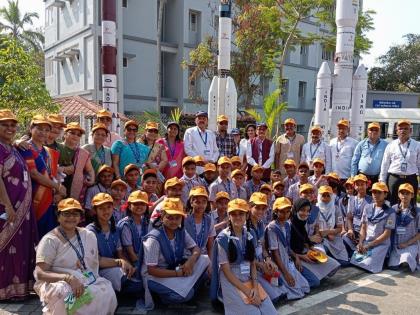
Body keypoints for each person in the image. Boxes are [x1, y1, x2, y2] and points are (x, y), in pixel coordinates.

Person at [34, 198, 117, 314]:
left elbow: (96, 260)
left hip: (85, 277)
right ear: (58, 217)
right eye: (66, 214)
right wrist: (68, 278)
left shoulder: (87, 235)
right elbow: (40, 273)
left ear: (80, 217)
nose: (71, 217)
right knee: (64, 293)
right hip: (58, 282)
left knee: (106, 289)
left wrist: (119, 262)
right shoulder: (50, 240)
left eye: (75, 214)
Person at [210, 198, 277, 314]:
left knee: (269, 311)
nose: (238, 217)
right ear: (229, 216)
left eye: (241, 213)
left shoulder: (249, 234)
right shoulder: (223, 238)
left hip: (248, 277)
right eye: (233, 214)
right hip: (231, 280)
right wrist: (247, 291)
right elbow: (226, 272)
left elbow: (252, 264)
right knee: (253, 312)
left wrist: (255, 287)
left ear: (246, 216)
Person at [0, 109, 38, 301]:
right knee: (6, 248)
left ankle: (20, 289)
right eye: (4, 124)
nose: (10, 128)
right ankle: (6, 291)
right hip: (7, 210)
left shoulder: (13, 147)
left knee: (21, 247)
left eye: (13, 125)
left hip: (23, 210)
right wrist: (7, 205)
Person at [144, 198, 209, 306]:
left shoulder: (181, 231)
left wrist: (190, 262)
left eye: (177, 217)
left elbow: (196, 249)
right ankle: (165, 297)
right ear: (162, 217)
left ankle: (184, 287)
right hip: (157, 277)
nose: (174, 221)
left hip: (175, 269)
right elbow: (151, 270)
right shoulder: (154, 239)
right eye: (169, 217)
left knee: (205, 259)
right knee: (185, 295)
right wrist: (177, 273)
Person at [20, 115, 66, 237]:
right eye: (39, 129)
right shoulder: (26, 147)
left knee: (48, 236)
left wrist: (57, 190)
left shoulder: (47, 151)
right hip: (32, 197)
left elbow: (51, 174)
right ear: (31, 128)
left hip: (48, 199)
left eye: (47, 130)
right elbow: (34, 174)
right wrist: (57, 186)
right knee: (34, 235)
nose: (43, 133)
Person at [86, 193, 141, 295]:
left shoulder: (114, 228)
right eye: (101, 208)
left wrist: (128, 265)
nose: (106, 211)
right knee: (135, 285)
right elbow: (96, 260)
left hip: (114, 267)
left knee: (137, 273)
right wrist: (119, 262)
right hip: (97, 271)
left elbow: (120, 253)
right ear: (95, 211)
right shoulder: (90, 231)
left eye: (108, 207)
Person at [289, 198, 341, 288]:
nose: (305, 213)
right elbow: (286, 248)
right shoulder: (288, 225)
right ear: (296, 209)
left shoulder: (301, 222)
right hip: (293, 257)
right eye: (302, 210)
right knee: (314, 282)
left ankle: (314, 273)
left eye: (307, 211)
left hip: (304, 253)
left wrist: (313, 249)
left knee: (335, 266)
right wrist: (299, 256)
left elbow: (305, 240)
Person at [265, 197, 310, 299]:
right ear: (276, 212)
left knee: (305, 287)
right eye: (282, 212)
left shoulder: (287, 225)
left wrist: (296, 257)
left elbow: (287, 247)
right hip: (279, 262)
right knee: (297, 293)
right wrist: (286, 274)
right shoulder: (272, 228)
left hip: (287, 259)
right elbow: (275, 253)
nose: (285, 214)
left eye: (288, 211)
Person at [247, 193, 287, 302]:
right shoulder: (245, 227)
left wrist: (268, 260)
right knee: (274, 297)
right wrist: (260, 265)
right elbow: (244, 257)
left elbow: (263, 248)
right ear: (250, 207)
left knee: (282, 291)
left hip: (260, 262)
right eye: (257, 208)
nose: (260, 211)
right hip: (250, 267)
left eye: (263, 208)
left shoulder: (261, 224)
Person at [350, 182, 396, 273]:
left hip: (380, 244)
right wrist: (360, 242)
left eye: (379, 192)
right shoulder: (367, 207)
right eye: (374, 192)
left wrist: (369, 245)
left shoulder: (390, 212)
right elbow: (363, 227)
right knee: (354, 261)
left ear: (385, 194)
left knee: (367, 264)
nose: (376, 195)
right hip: (367, 242)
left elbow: (387, 234)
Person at [379, 119, 420, 205]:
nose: (403, 131)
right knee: (392, 204)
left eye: (406, 128)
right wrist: (382, 181)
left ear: (410, 130)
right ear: (396, 131)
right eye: (400, 128)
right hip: (394, 179)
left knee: (411, 205)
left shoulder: (417, 145)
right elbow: (385, 164)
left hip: (410, 179)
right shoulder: (391, 145)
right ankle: (392, 219)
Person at [57, 122, 95, 202]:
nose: (75, 136)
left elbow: (90, 169)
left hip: (75, 189)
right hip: (57, 186)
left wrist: (92, 179)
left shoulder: (83, 153)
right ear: (65, 134)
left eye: (78, 135)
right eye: (72, 133)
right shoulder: (56, 148)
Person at [117, 191, 150, 280]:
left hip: (144, 259)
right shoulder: (125, 225)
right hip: (131, 262)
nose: (139, 207)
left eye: (142, 204)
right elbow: (131, 253)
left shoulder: (146, 222)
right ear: (129, 206)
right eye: (135, 204)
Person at [388, 183, 420, 272]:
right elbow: (388, 228)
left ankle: (412, 257)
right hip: (396, 245)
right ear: (398, 194)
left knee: (407, 257)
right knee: (393, 267)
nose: (404, 196)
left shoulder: (417, 211)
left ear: (412, 195)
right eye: (402, 193)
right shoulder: (393, 209)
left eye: (407, 193)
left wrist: (407, 243)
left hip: (410, 245)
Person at [316, 186, 349, 265]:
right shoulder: (315, 209)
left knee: (344, 262)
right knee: (324, 252)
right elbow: (314, 228)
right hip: (320, 238)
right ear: (319, 196)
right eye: (323, 195)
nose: (326, 198)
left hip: (334, 237)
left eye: (328, 196)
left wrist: (328, 232)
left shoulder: (336, 209)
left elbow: (340, 228)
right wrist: (322, 234)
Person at [343, 175, 372, 255]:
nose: (360, 187)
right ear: (354, 186)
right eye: (357, 184)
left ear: (367, 185)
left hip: (365, 233)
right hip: (354, 231)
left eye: (362, 184)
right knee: (344, 238)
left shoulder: (371, 200)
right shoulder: (351, 199)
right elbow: (349, 218)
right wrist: (350, 229)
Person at [185, 186, 216, 257]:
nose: (201, 205)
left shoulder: (209, 220)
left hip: (203, 257)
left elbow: (210, 247)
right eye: (197, 202)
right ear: (191, 203)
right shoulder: (184, 219)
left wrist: (210, 264)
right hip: (186, 257)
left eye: (204, 202)